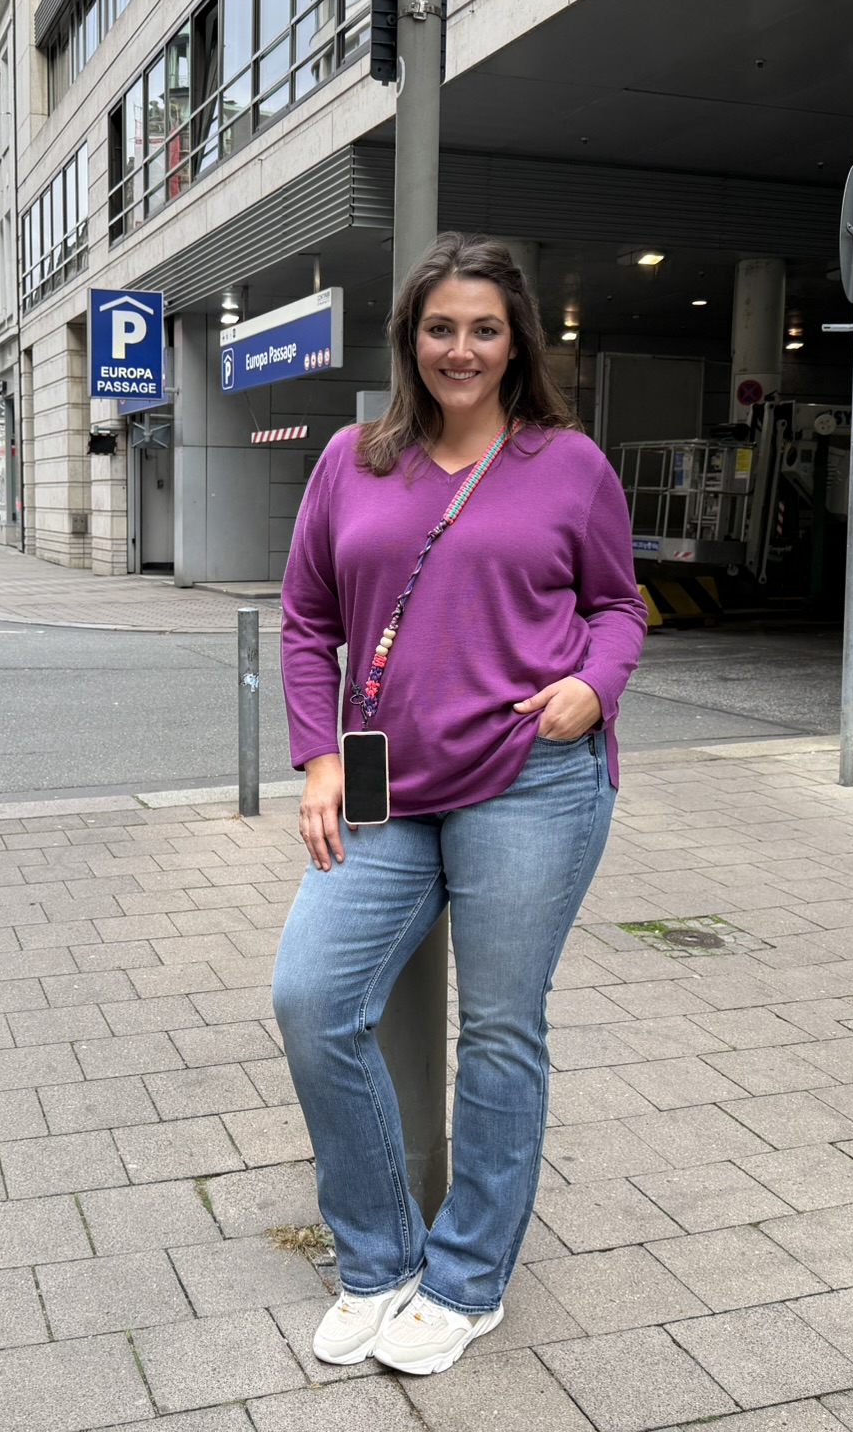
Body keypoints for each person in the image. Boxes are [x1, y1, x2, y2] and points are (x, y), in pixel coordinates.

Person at [272, 234, 646, 1377]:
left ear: (515, 341)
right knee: (309, 998)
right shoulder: (352, 457)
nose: (461, 348)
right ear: (409, 339)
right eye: (441, 327)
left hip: (532, 779)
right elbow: (303, 622)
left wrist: (590, 686)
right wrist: (318, 760)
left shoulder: (567, 464)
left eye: (484, 328)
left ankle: (467, 1277)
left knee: (497, 1029)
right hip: (385, 782)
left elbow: (618, 604)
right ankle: (378, 1257)